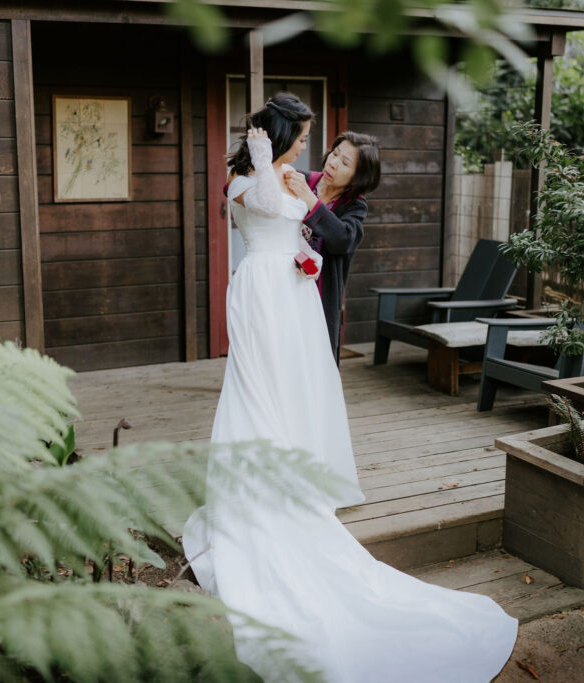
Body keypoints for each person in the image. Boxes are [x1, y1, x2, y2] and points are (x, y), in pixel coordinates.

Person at [182, 92, 517, 683]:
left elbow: (327, 237)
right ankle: (255, 489)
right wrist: (263, 161)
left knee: (292, 393)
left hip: (295, 300)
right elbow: (264, 207)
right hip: (262, 291)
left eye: (334, 153)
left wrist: (303, 242)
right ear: (283, 136)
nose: (315, 152)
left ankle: (292, 474)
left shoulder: (335, 198)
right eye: (308, 140)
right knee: (255, 389)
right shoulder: (250, 176)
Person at [284, 132, 380, 365]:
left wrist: (310, 200)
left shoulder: (354, 205)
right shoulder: (302, 180)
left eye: (345, 162)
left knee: (317, 360)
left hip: (320, 293)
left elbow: (342, 240)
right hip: (285, 283)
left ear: (358, 177)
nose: (333, 163)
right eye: (334, 154)